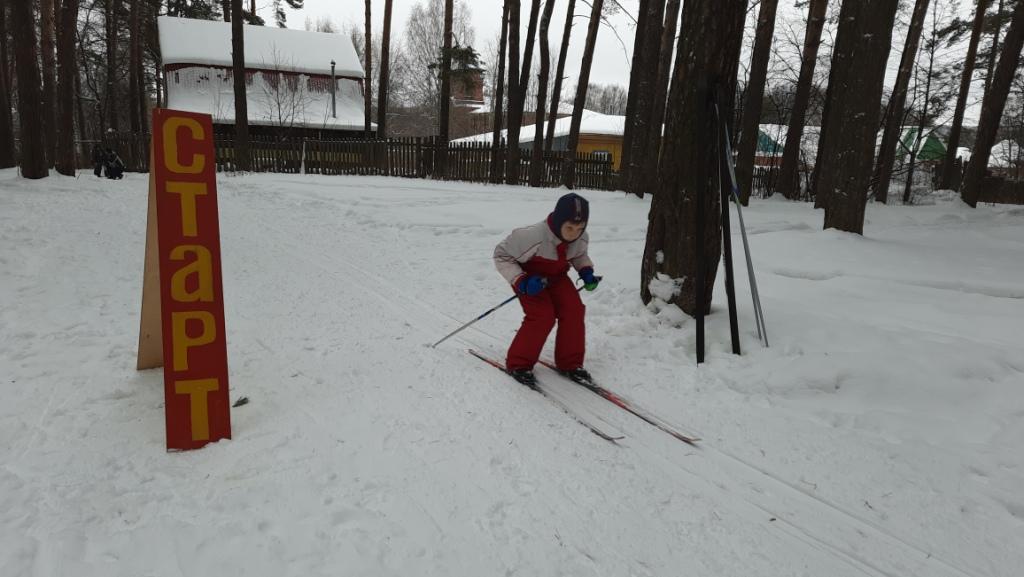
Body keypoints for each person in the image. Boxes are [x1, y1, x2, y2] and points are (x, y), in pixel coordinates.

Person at [493, 192, 601, 387]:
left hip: (557, 277)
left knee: (574, 310)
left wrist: (586, 271)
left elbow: (579, 255)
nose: (574, 233)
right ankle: (519, 364)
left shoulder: (581, 238)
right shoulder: (531, 236)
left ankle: (570, 363)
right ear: (558, 221)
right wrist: (521, 281)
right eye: (569, 227)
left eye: (580, 228)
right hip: (529, 279)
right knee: (543, 316)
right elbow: (502, 255)